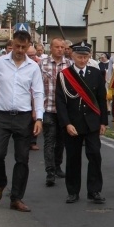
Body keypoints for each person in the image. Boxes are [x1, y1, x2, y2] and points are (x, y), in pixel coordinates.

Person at [0, 30, 45, 213]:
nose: (20, 50)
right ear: (12, 44)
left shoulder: (33, 67)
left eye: (24, 47)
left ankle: (16, 198)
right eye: (17, 46)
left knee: (22, 158)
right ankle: (1, 184)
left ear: (29, 46)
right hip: (1, 115)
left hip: (23, 117)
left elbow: (38, 92)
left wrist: (39, 117)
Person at [56, 42, 108, 204]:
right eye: (79, 57)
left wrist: (103, 122)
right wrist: (66, 123)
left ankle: (95, 191)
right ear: (72, 56)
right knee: (73, 158)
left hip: (92, 122)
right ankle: (72, 191)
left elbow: (101, 98)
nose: (82, 60)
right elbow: (61, 102)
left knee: (94, 155)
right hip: (73, 123)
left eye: (85, 57)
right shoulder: (64, 75)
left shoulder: (96, 73)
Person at [40, 37, 71, 187]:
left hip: (64, 110)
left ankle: (58, 165)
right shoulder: (43, 64)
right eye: (56, 47)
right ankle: (49, 172)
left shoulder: (69, 65)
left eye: (62, 47)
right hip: (48, 108)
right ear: (50, 48)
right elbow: (37, 86)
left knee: (61, 141)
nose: (59, 49)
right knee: (49, 140)